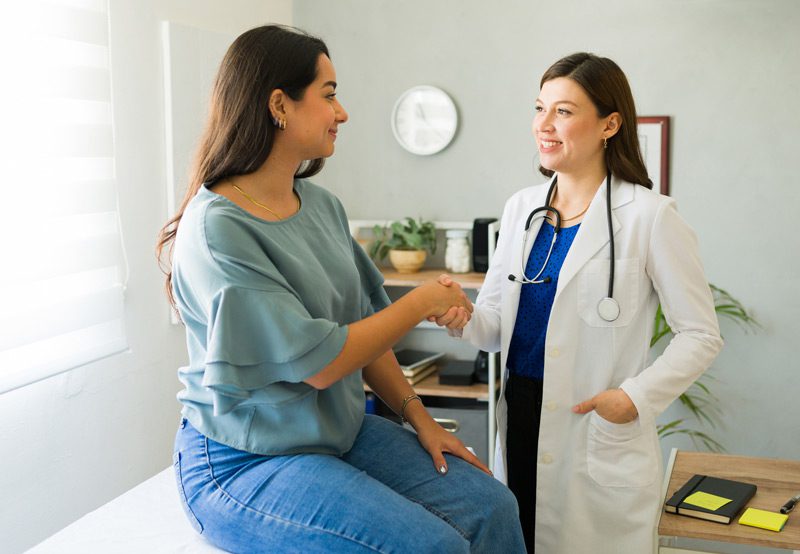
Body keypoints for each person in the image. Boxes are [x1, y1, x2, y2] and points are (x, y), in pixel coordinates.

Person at [155, 24, 525, 554]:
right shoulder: (218, 227)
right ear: (279, 104)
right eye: (329, 95)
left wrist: (421, 419)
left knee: (493, 506)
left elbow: (365, 332)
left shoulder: (323, 208)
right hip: (244, 459)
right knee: (430, 546)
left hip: (337, 433)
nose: (342, 112)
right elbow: (323, 362)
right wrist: (420, 302)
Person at [432, 52, 723, 553]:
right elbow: (496, 326)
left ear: (610, 123)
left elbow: (700, 334)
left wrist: (633, 397)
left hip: (594, 419)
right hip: (521, 414)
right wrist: (462, 315)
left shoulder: (651, 217)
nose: (543, 125)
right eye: (539, 108)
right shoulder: (522, 208)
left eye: (563, 112)